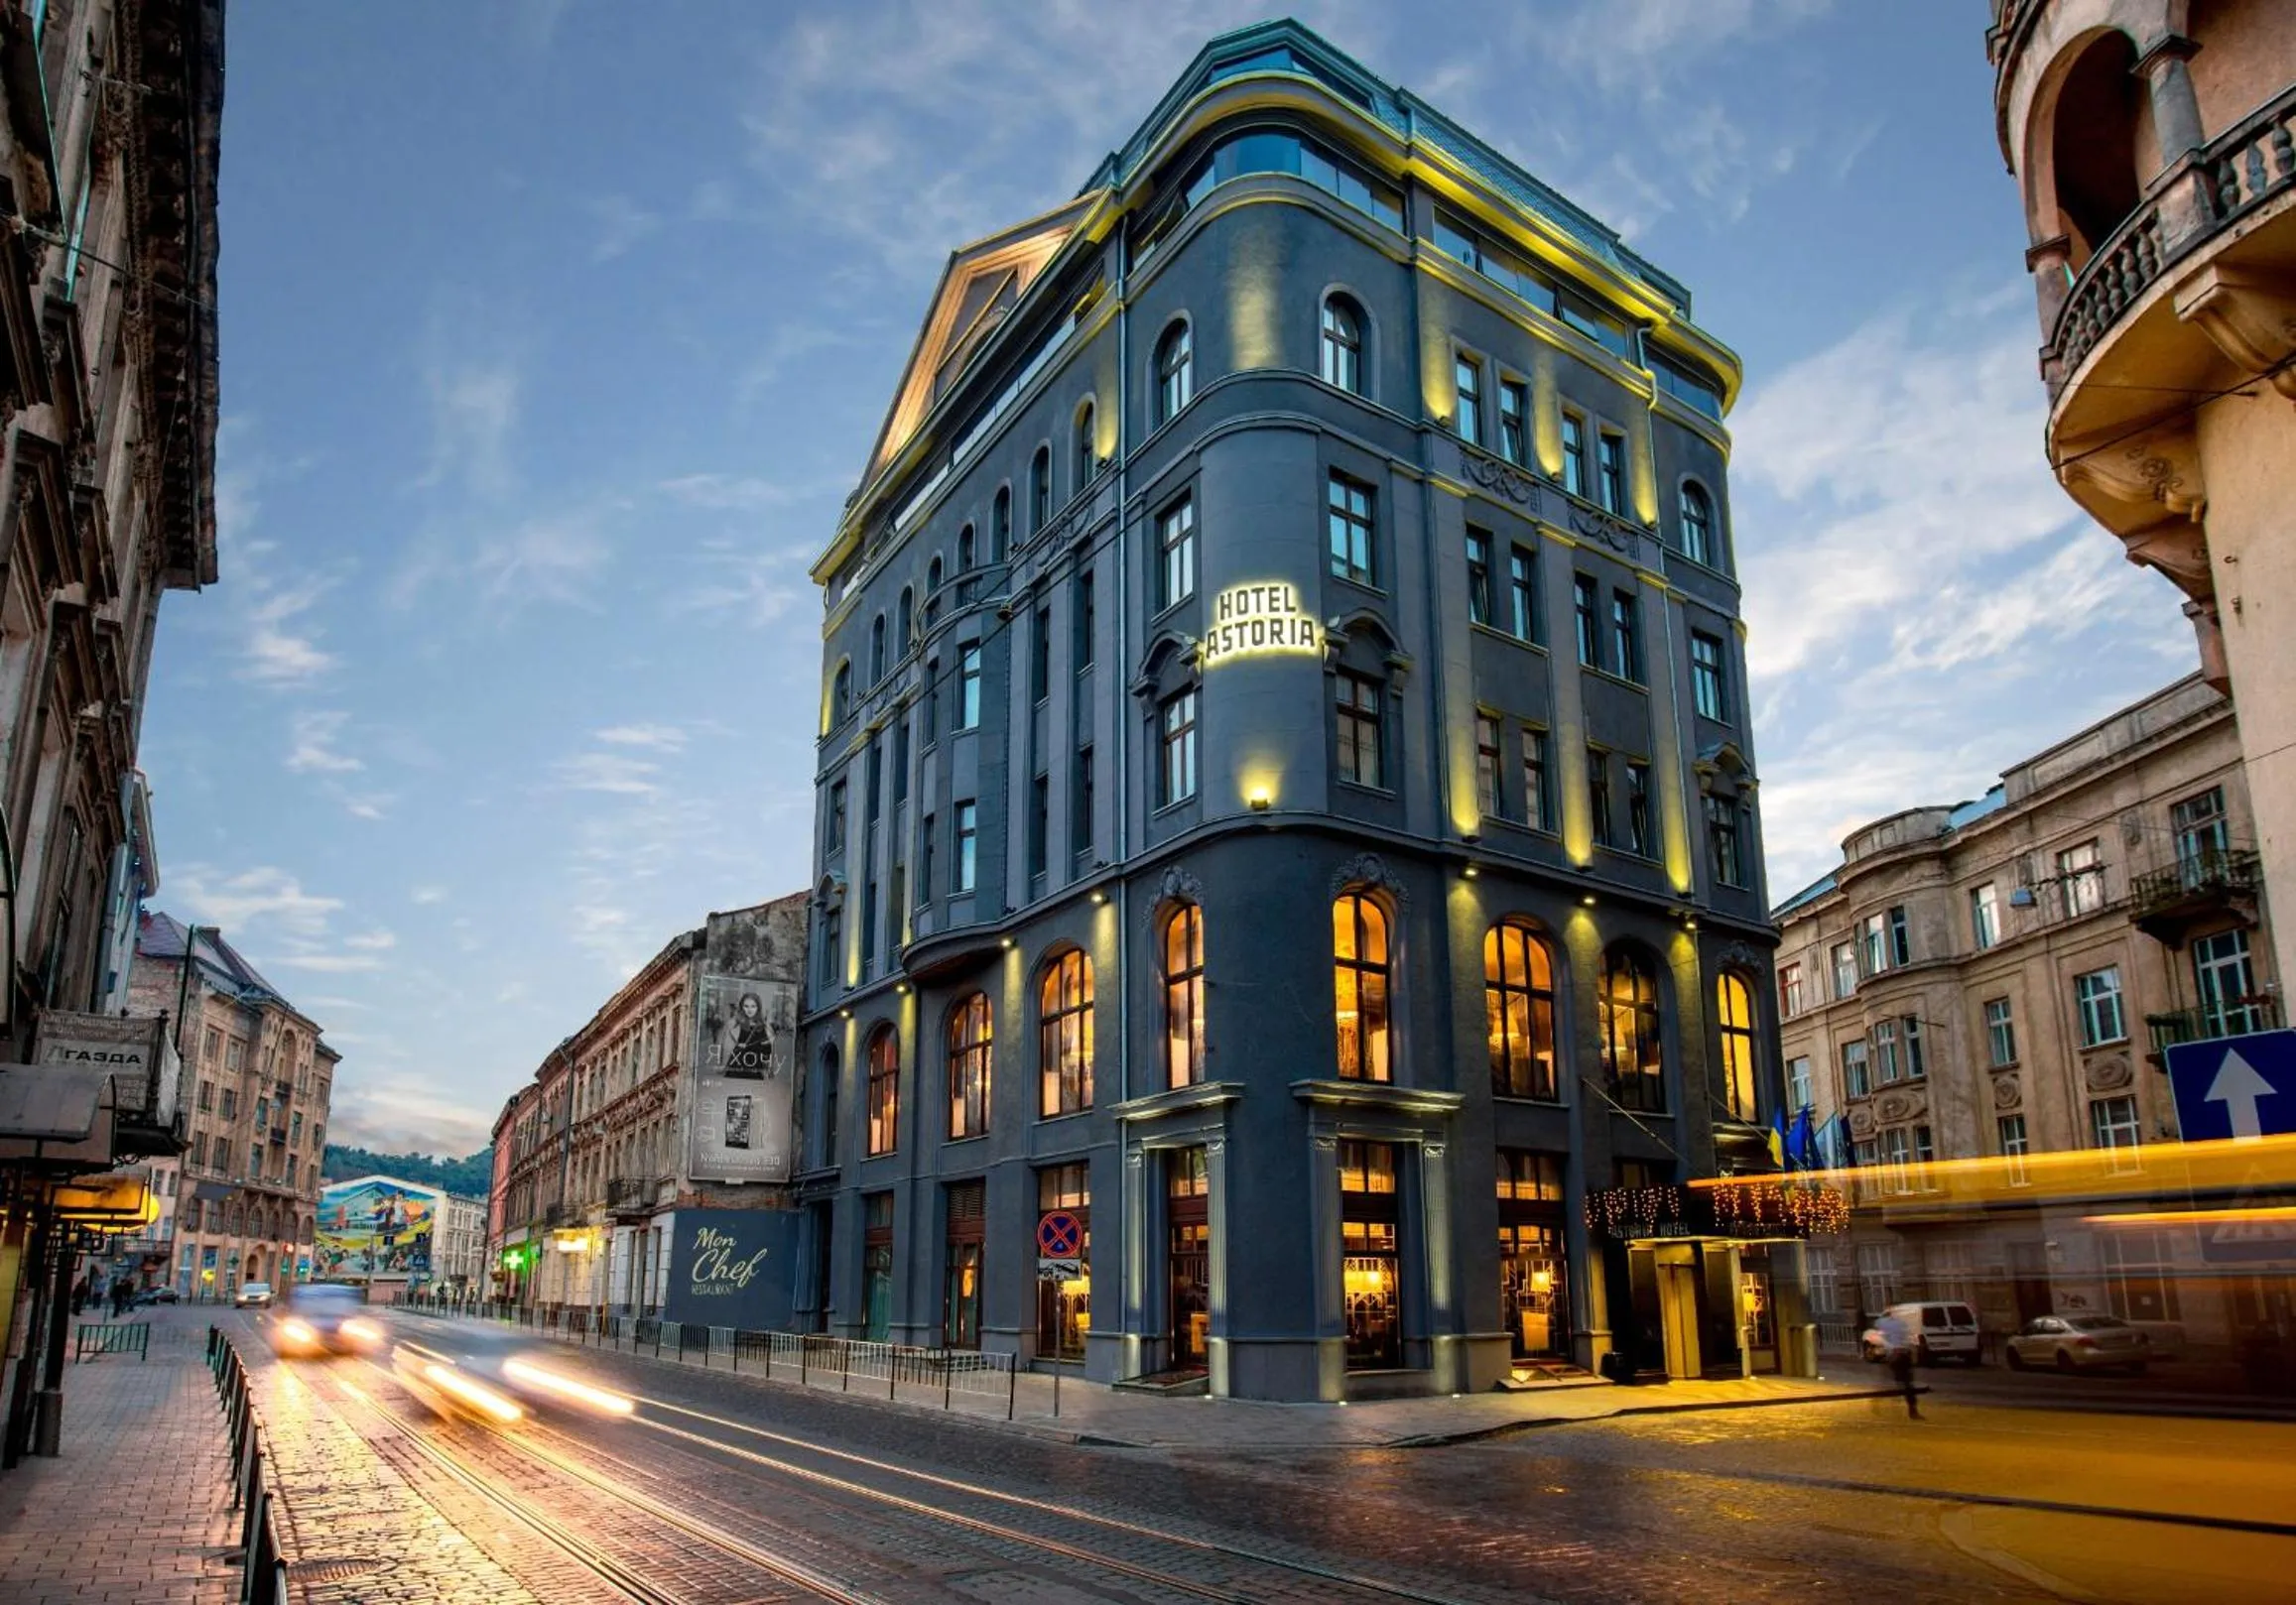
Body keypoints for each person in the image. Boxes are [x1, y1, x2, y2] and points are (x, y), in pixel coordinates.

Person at [1875, 1307, 1921, 1419]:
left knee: (1892, 1381)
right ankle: (1912, 1409)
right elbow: (1909, 1338)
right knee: (1907, 1383)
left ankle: (1880, 1404)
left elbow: (1882, 1339)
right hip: (1904, 1354)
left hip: (1894, 1356)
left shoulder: (1882, 1324)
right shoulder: (1901, 1323)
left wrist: (1889, 1350)